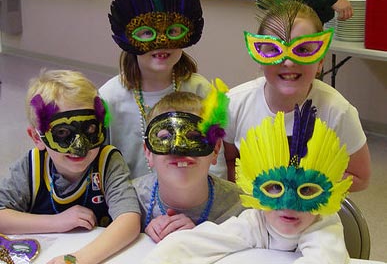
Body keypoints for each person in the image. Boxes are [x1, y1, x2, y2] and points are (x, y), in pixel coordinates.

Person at [142, 100, 353, 264]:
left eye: (307, 190)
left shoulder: (323, 222)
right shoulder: (256, 219)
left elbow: (324, 259)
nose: (288, 204)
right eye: (274, 188)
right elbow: (196, 243)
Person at [224, 0, 370, 191]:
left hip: (311, 217)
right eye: (275, 50)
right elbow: (228, 161)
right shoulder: (234, 104)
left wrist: (305, 185)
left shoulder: (338, 111)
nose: (289, 62)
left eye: (303, 49)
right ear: (260, 56)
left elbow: (360, 177)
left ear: (321, 60)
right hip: (250, 215)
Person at [99, 0, 227, 179]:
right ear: (128, 38)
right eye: (146, 33)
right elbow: (101, 164)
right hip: (129, 202)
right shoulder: (109, 97)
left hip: (193, 197)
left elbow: (216, 162)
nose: (161, 42)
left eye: (173, 30)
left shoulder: (200, 90)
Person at [0, 70, 141, 264]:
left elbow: (130, 220)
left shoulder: (107, 161)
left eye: (90, 129)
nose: (80, 147)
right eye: (63, 132)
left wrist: (76, 260)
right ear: (36, 138)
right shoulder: (32, 166)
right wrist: (57, 222)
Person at [133, 81, 246, 243]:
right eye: (165, 138)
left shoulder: (241, 207)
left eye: (195, 137)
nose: (180, 147)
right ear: (148, 152)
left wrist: (202, 236)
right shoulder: (129, 200)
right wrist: (139, 234)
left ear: (215, 149)